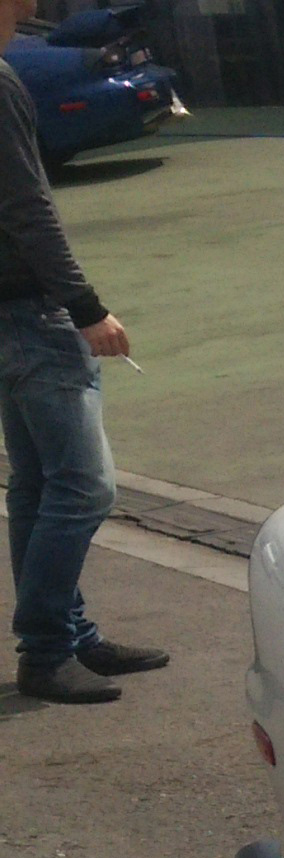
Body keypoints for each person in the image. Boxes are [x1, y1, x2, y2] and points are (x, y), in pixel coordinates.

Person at [0, 47, 162, 705]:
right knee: (84, 486)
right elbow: (26, 204)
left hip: (9, 310)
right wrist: (85, 307)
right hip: (29, 309)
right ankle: (46, 647)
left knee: (38, 482)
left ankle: (68, 636)